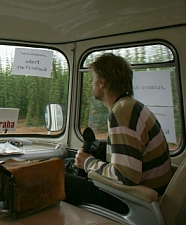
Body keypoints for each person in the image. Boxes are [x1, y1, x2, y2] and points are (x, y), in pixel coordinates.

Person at [65, 53, 172, 212]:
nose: (92, 84)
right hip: (148, 195)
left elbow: (126, 177)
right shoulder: (132, 106)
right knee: (68, 164)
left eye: (94, 79)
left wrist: (87, 163)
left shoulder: (121, 112)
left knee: (62, 181)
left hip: (137, 202)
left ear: (103, 82)